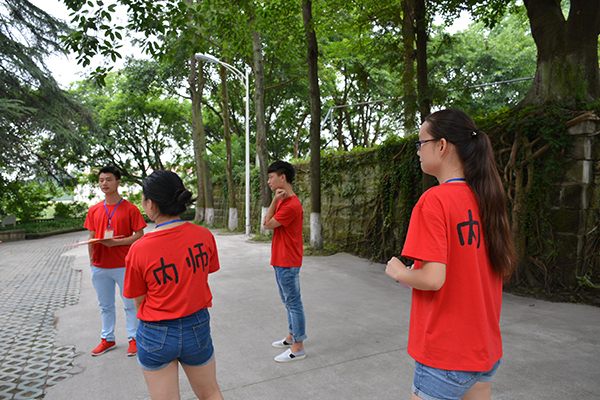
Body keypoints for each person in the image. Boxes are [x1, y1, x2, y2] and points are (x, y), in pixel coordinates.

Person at [385, 109, 516, 400]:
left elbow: (433, 279)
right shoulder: (487, 197)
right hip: (484, 349)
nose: (418, 151)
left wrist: (399, 272)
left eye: (421, 143)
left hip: (446, 352)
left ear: (442, 145)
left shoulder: (434, 200)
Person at [123, 170, 223, 400]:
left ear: (150, 204)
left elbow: (138, 300)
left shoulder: (139, 249)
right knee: (210, 393)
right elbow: (203, 274)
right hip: (197, 325)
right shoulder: (204, 235)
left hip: (156, 331)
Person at [84, 166, 146, 357]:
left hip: (124, 265)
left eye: (109, 179)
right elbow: (91, 236)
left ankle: (134, 338)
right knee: (105, 306)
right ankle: (108, 339)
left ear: (118, 182)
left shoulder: (130, 209)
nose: (104, 183)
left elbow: (139, 235)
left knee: (130, 305)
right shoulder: (94, 210)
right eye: (101, 180)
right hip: (100, 266)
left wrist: (116, 243)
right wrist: (92, 260)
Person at [262, 160, 307, 362]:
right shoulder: (283, 201)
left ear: (283, 177)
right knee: (288, 302)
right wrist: (275, 200)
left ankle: (298, 348)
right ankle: (291, 337)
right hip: (281, 259)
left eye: (271, 177)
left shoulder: (291, 205)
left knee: (294, 303)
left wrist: (274, 201)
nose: (269, 181)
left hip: (287, 260)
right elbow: (266, 222)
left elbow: (268, 225)